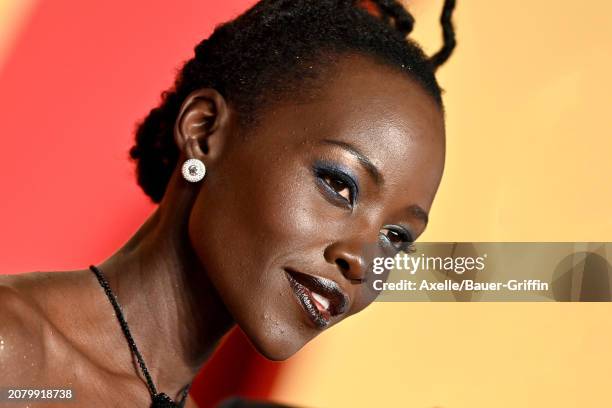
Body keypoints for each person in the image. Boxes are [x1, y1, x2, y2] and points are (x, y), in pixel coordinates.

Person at [0, 0, 456, 406]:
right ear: (204, 130)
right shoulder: (14, 353)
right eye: (339, 184)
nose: (362, 260)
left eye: (396, 238)